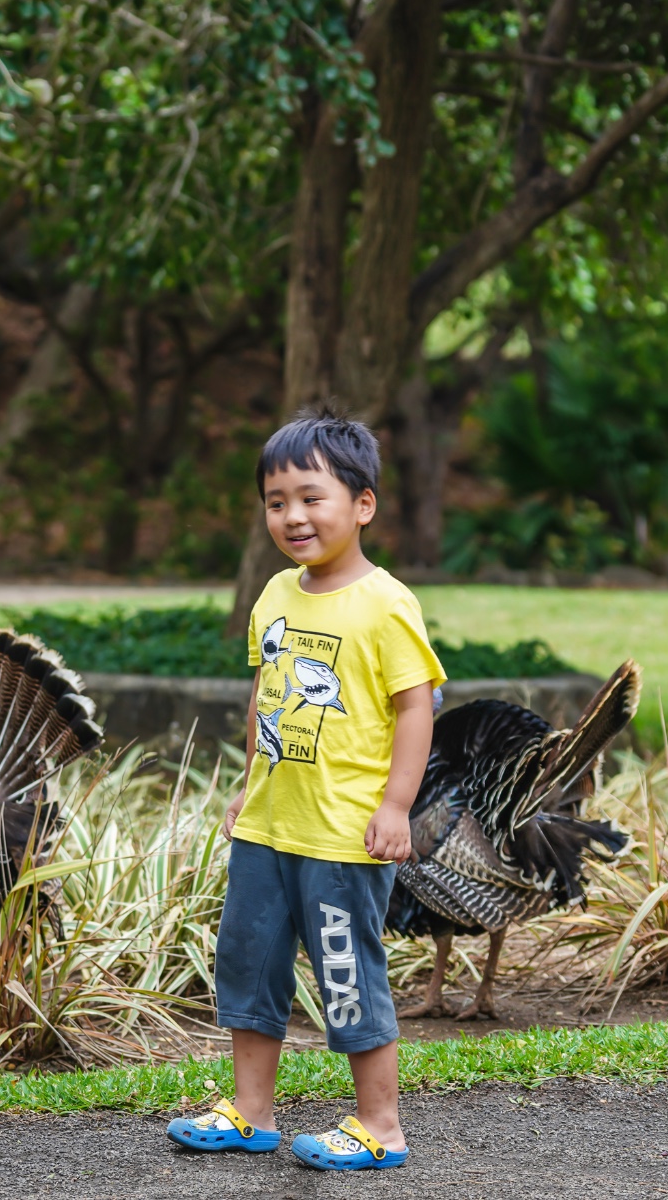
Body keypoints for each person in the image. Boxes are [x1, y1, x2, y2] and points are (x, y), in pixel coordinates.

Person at [167, 406, 442, 1171]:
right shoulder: (276, 595)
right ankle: (251, 1115)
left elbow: (415, 706)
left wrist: (396, 806)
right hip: (269, 826)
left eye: (311, 497)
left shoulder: (386, 603)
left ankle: (380, 1125)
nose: (292, 515)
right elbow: (268, 694)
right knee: (248, 964)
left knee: (347, 973)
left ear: (363, 505)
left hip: (343, 834)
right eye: (276, 500)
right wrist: (247, 783)